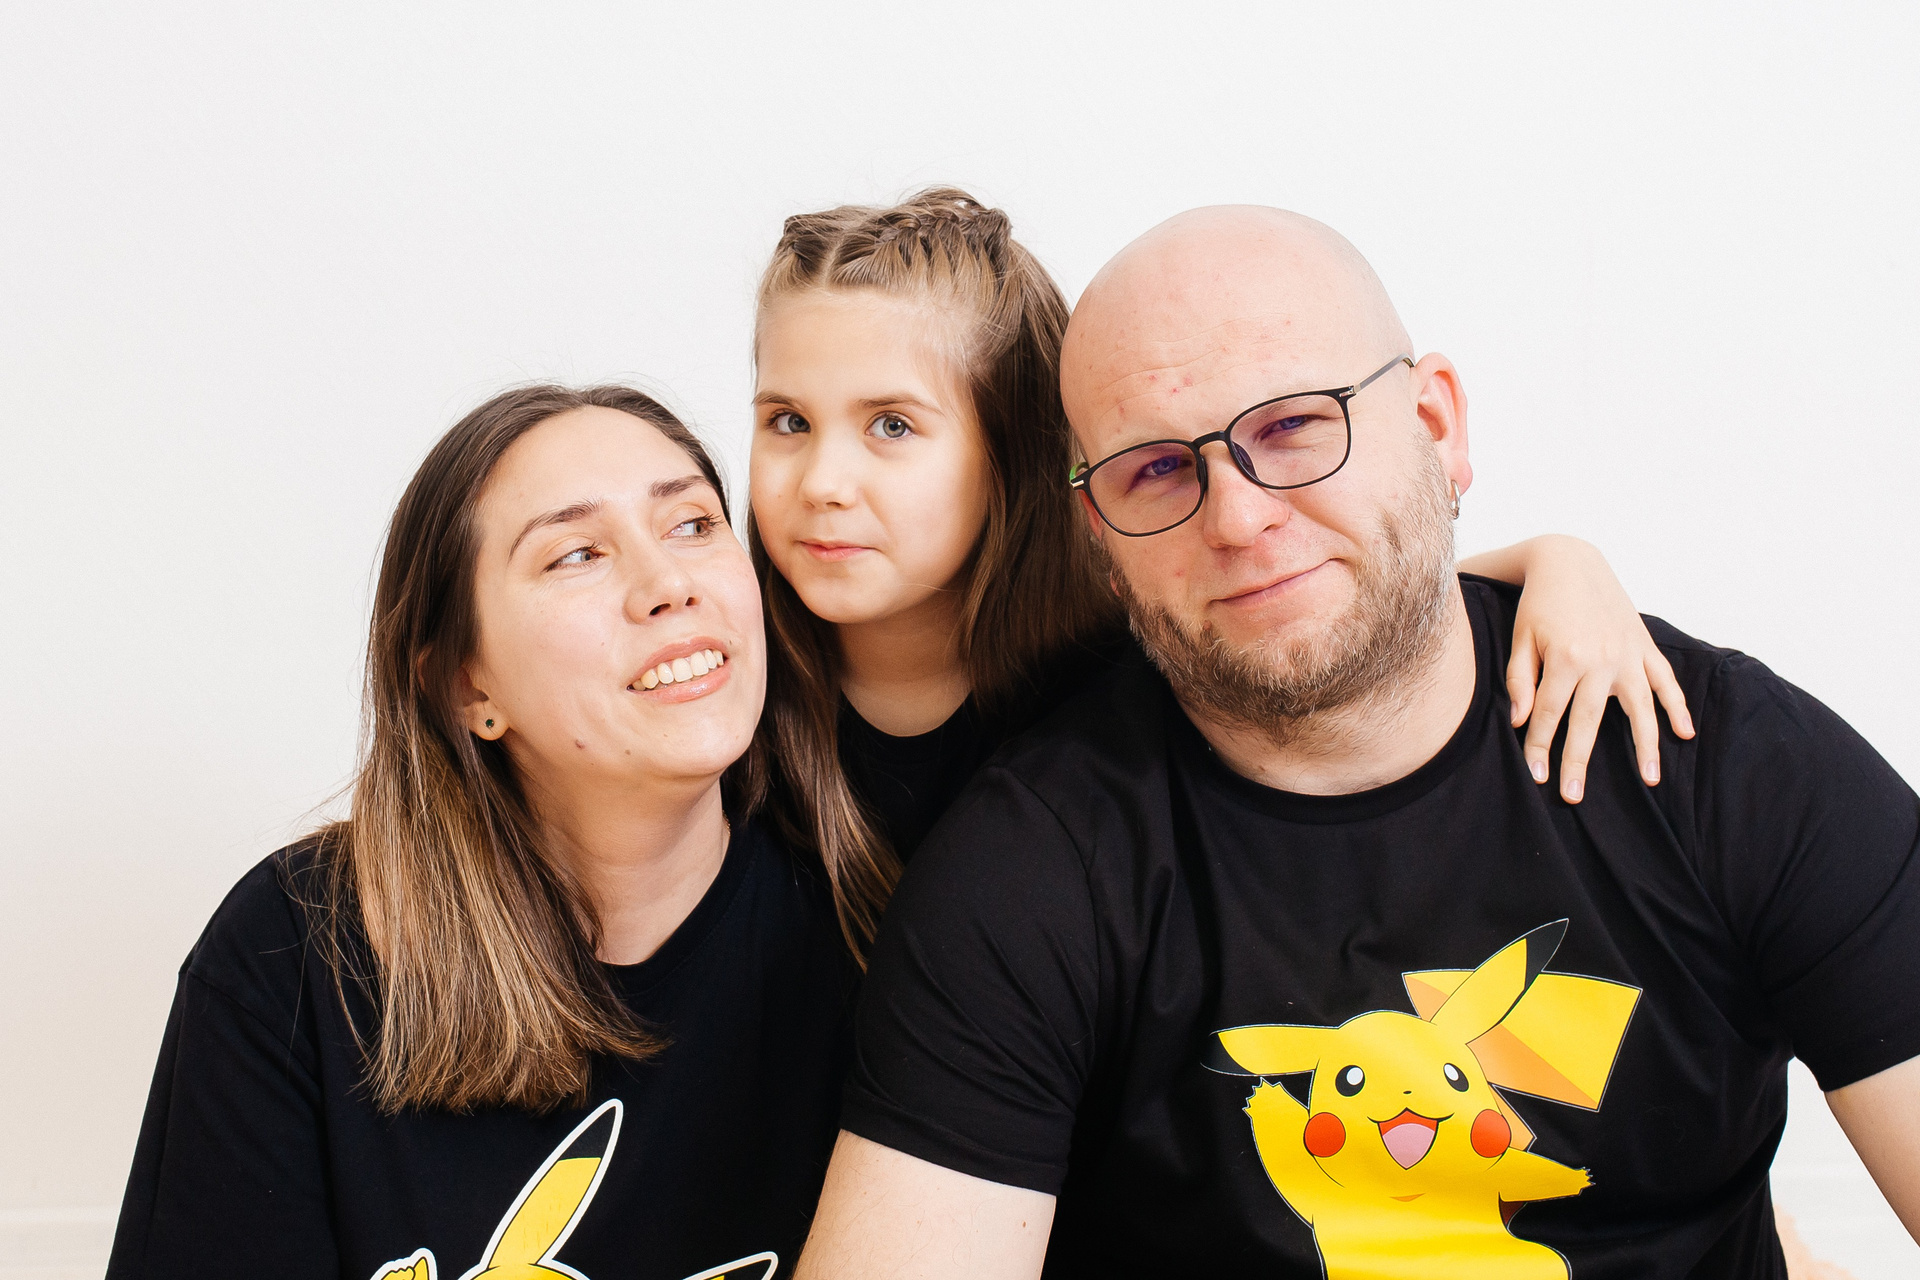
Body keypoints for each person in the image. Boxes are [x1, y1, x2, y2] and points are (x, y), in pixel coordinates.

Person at [796, 207, 1920, 1278]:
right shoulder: (1030, 872)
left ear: (1437, 424)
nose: (1239, 519)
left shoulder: (1724, 762)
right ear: (1100, 532)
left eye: (1293, 426)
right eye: (1158, 468)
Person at [744, 188, 1693, 956]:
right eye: (787, 421)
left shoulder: (1120, 668)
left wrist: (1557, 564)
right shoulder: (726, 697)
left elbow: (1327, 600)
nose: (822, 483)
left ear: (1020, 455)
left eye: (892, 425)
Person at [107, 386, 856, 1280]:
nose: (669, 585)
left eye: (693, 524)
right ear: (469, 687)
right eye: (576, 554)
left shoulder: (875, 931)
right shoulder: (295, 955)